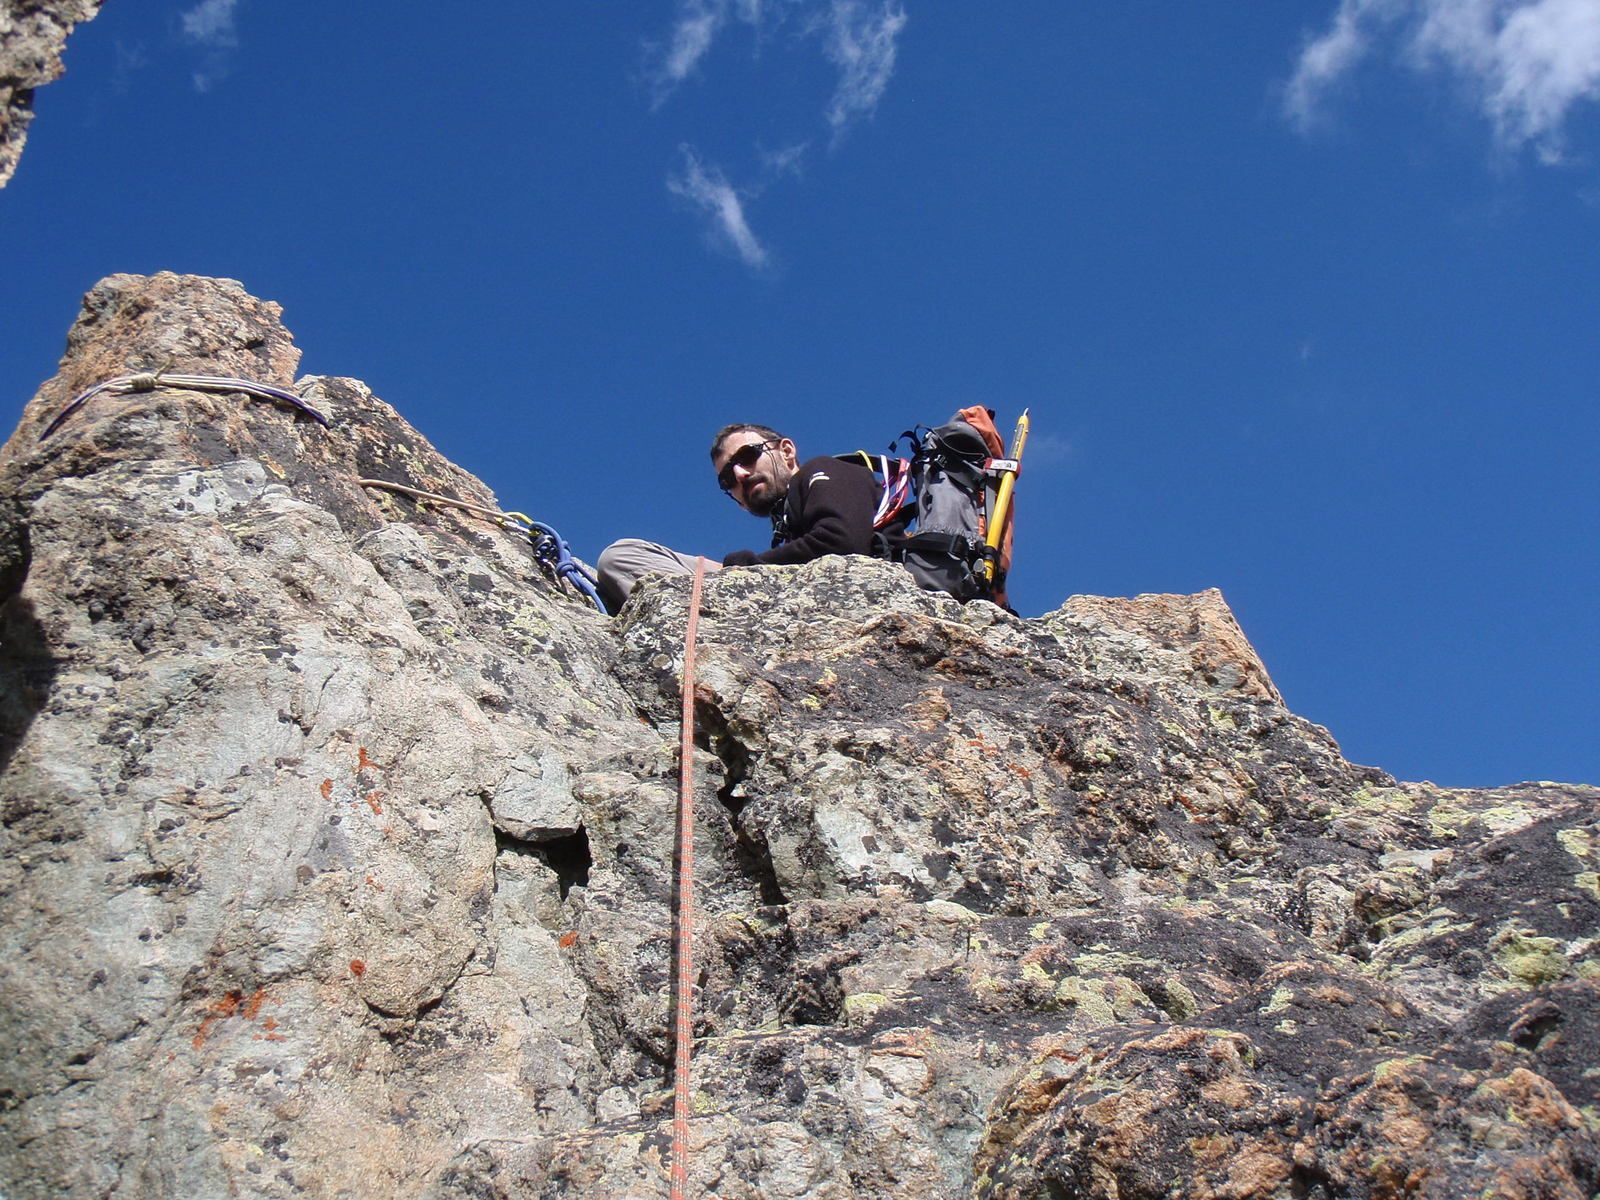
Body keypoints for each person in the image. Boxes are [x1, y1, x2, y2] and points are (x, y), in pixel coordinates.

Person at [595, 423, 881, 614]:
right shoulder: (786, 525)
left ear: (787, 451)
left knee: (622, 557)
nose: (740, 475)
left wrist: (746, 567)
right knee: (618, 562)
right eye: (726, 479)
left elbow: (842, 540)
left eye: (747, 456)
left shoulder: (825, 470)